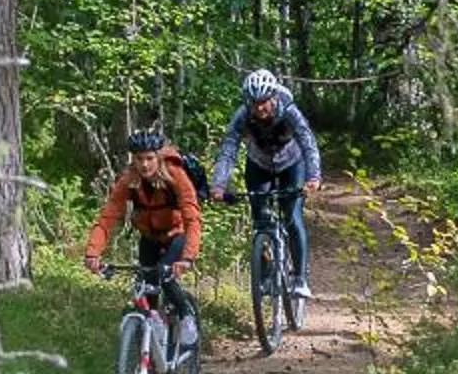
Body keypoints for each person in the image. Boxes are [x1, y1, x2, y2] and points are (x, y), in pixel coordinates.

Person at [83, 126, 205, 337]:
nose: (144, 164)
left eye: (149, 158)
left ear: (158, 157)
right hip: (149, 237)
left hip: (177, 234)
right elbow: (107, 218)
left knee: (163, 273)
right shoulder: (129, 179)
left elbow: (192, 218)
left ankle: (186, 316)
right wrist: (93, 253)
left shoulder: (176, 175)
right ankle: (150, 351)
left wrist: (187, 257)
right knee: (147, 288)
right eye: (139, 159)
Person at [210, 68, 321, 295]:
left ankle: (299, 279)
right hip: (258, 165)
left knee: (292, 216)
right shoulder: (242, 116)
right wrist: (219, 184)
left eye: (264, 102)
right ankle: (266, 277)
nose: (260, 108)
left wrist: (313, 176)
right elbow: (228, 150)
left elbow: (307, 142)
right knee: (261, 220)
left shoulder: (289, 111)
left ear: (273, 98)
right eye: (254, 103)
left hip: (292, 164)